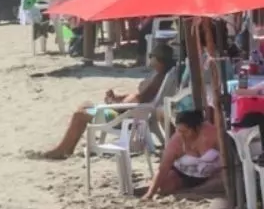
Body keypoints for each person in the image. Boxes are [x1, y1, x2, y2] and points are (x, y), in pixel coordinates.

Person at [34, 44, 175, 160]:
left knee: (79, 114)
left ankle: (62, 150)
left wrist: (115, 103)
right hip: (128, 111)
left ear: (159, 60)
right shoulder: (159, 75)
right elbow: (138, 97)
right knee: (86, 105)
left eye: (152, 56)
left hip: (124, 117)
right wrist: (118, 98)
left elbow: (138, 101)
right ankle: (66, 148)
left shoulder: (158, 80)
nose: (149, 58)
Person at [142, 108, 224, 199]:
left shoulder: (212, 133)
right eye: (179, 131)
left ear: (196, 128)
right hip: (182, 174)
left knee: (222, 181)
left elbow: (227, 154)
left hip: (211, 175)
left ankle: (196, 190)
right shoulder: (176, 141)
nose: (181, 134)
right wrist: (150, 193)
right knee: (164, 186)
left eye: (185, 131)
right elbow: (163, 167)